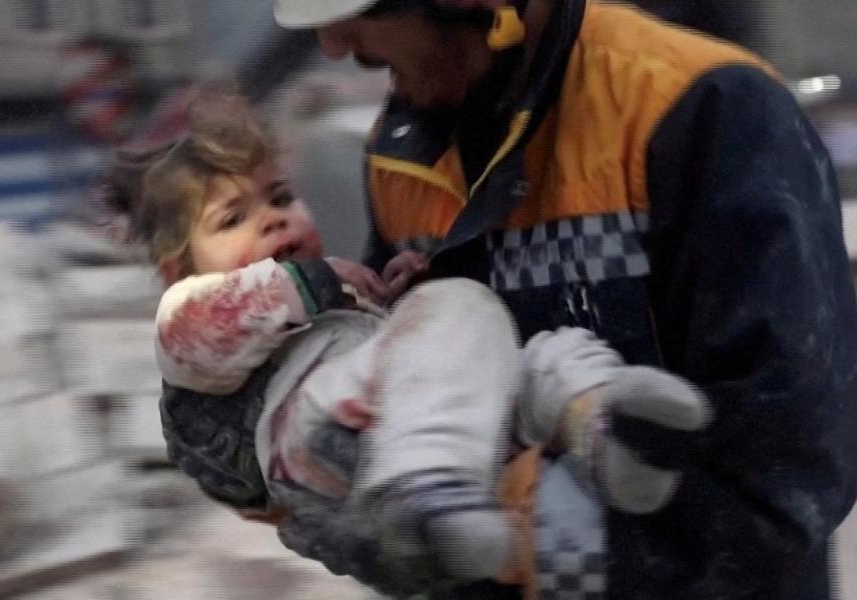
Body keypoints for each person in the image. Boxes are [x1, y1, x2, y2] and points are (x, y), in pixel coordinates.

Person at [270, 0, 857, 598]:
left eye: (360, 12)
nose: (335, 45)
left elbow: (785, 476)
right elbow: (390, 403)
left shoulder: (702, 108)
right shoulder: (402, 153)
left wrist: (519, 541)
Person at [108, 90, 710, 598]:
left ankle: (605, 427)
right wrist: (317, 283)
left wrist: (393, 300)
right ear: (174, 269)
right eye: (232, 218)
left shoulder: (335, 299)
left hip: (383, 427)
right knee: (459, 306)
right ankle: (422, 491)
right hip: (316, 437)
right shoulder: (186, 314)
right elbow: (216, 321)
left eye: (281, 198)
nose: (271, 219)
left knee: (538, 354)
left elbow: (400, 355)